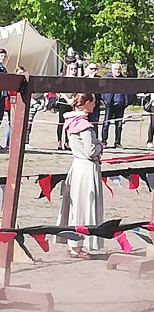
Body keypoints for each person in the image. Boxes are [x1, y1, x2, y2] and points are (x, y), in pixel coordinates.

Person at [54, 93, 104, 258]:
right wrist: (100, 146)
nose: (95, 105)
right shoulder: (85, 126)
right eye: (94, 102)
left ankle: (73, 243)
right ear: (88, 103)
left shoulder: (70, 122)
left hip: (77, 166)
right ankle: (77, 246)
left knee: (76, 207)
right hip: (86, 169)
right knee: (83, 206)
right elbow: (90, 151)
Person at [101, 62, 129, 148]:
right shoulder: (107, 78)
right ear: (112, 70)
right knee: (106, 123)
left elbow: (127, 92)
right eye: (115, 69)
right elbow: (102, 90)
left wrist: (126, 101)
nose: (117, 71)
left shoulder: (123, 79)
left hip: (120, 104)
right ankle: (104, 141)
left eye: (119, 69)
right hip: (109, 104)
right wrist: (104, 100)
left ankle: (117, 142)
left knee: (119, 124)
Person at [56, 63, 78, 150]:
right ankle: (59, 142)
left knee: (70, 123)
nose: (74, 71)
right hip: (63, 102)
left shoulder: (76, 80)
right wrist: (67, 99)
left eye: (75, 69)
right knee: (61, 122)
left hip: (72, 102)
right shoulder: (64, 79)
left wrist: (73, 100)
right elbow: (60, 91)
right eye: (72, 69)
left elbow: (77, 91)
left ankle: (67, 142)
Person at [84, 62, 101, 136]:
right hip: (85, 105)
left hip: (95, 105)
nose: (94, 70)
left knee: (95, 123)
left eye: (95, 69)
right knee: (85, 123)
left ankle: (95, 140)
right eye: (91, 69)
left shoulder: (99, 79)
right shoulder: (83, 79)